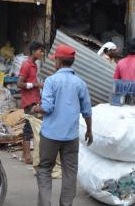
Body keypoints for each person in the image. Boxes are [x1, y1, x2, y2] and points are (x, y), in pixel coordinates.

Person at [32, 44, 93, 206]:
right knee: (70, 172)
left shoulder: (51, 81)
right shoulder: (80, 83)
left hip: (50, 135)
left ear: (58, 61)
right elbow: (87, 110)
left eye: (55, 60)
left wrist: (36, 108)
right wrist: (89, 131)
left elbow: (47, 108)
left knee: (45, 169)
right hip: (71, 136)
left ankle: (45, 204)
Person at [17, 41, 45, 164]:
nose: (42, 53)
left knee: (32, 126)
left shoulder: (34, 65)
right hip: (28, 101)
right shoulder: (27, 65)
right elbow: (19, 83)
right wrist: (35, 85)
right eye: (40, 51)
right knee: (29, 128)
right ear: (34, 51)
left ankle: (25, 154)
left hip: (34, 99)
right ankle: (27, 156)